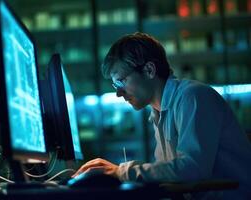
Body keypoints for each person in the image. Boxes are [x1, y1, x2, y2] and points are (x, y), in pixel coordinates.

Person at [73, 32, 251, 199]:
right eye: (115, 85)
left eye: (121, 81)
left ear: (149, 70)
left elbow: (192, 169)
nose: (119, 93)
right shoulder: (158, 112)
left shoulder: (192, 97)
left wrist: (121, 172)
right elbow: (171, 177)